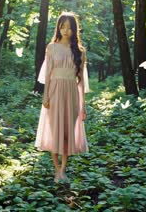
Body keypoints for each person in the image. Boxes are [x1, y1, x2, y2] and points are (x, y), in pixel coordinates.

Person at [35, 12, 89, 183]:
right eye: (62, 26)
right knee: (55, 131)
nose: (66, 30)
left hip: (72, 93)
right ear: (58, 27)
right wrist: (46, 97)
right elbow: (48, 75)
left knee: (66, 133)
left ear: (75, 30)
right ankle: (56, 169)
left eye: (69, 27)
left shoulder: (80, 51)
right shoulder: (51, 47)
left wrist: (83, 106)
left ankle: (63, 170)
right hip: (55, 91)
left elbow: (80, 81)